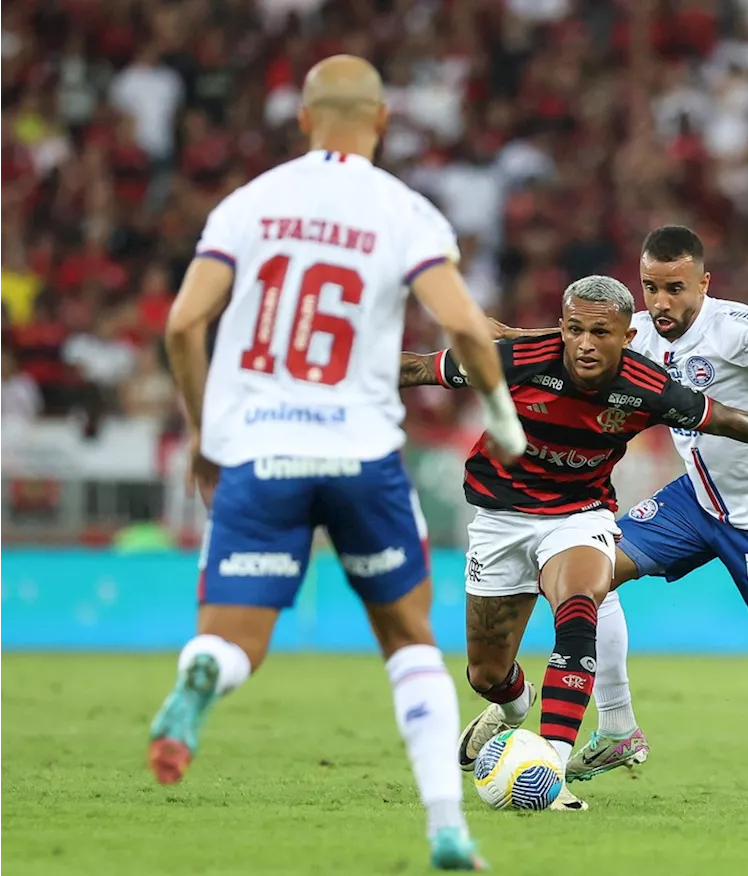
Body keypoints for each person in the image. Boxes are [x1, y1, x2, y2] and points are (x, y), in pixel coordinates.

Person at [148, 55, 523, 871]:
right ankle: (447, 828)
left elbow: (183, 325)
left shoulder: (249, 205)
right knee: (410, 640)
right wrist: (498, 411)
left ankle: (203, 672)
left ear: (304, 120)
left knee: (234, 639)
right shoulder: (405, 211)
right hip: (361, 453)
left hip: (260, 451)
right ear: (383, 121)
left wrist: (209, 436)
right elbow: (461, 322)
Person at [398, 274, 748, 810]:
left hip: (579, 515)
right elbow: (421, 368)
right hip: (500, 518)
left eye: (600, 333)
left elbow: (718, 417)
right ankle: (515, 709)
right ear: (561, 328)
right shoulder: (515, 360)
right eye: (575, 330)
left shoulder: (646, 385)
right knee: (487, 675)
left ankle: (549, 771)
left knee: (582, 604)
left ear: (627, 337)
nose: (585, 343)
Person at [488, 225, 748, 798]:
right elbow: (593, 336)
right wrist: (514, 336)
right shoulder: (647, 335)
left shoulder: (733, 327)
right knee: (589, 574)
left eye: (674, 288)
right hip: (696, 501)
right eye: (651, 287)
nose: (660, 302)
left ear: (704, 282)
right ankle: (617, 726)